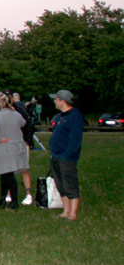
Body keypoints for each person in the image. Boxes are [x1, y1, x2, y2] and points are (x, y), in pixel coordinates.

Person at [49, 90, 83, 221]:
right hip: (56, 155)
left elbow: (75, 139)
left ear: (62, 100)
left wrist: (68, 154)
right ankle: (66, 210)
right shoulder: (59, 116)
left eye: (56, 99)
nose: (54, 102)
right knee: (60, 183)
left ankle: (73, 213)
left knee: (70, 183)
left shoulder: (74, 116)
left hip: (66, 156)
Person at [0, 92, 27, 210]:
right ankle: (3, 197)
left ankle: (13, 200)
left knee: (8, 175)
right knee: (6, 174)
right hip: (16, 147)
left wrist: (0, 138)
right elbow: (23, 123)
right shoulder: (16, 114)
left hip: (4, 148)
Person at [12, 92, 35, 205]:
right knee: (10, 169)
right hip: (11, 143)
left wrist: (27, 140)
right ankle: (9, 193)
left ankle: (28, 194)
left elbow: (28, 124)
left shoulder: (20, 110)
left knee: (23, 168)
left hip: (21, 142)